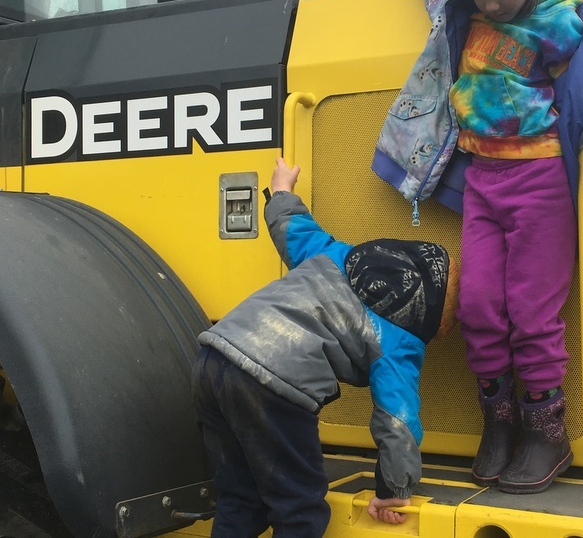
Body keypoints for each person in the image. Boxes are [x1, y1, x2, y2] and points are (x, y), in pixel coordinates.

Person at [371, 0, 583, 494]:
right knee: (477, 306)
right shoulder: (459, 0)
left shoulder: (558, 25)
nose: (490, 4)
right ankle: (500, 420)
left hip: (540, 182)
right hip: (483, 182)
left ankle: (547, 431)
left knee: (530, 313)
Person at [192, 157, 459, 535]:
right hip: (273, 383)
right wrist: (393, 490)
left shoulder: (335, 255)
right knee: (298, 508)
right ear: (433, 321)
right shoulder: (402, 340)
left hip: (214, 355)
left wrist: (281, 190)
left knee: (240, 498)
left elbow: (292, 228)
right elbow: (398, 421)